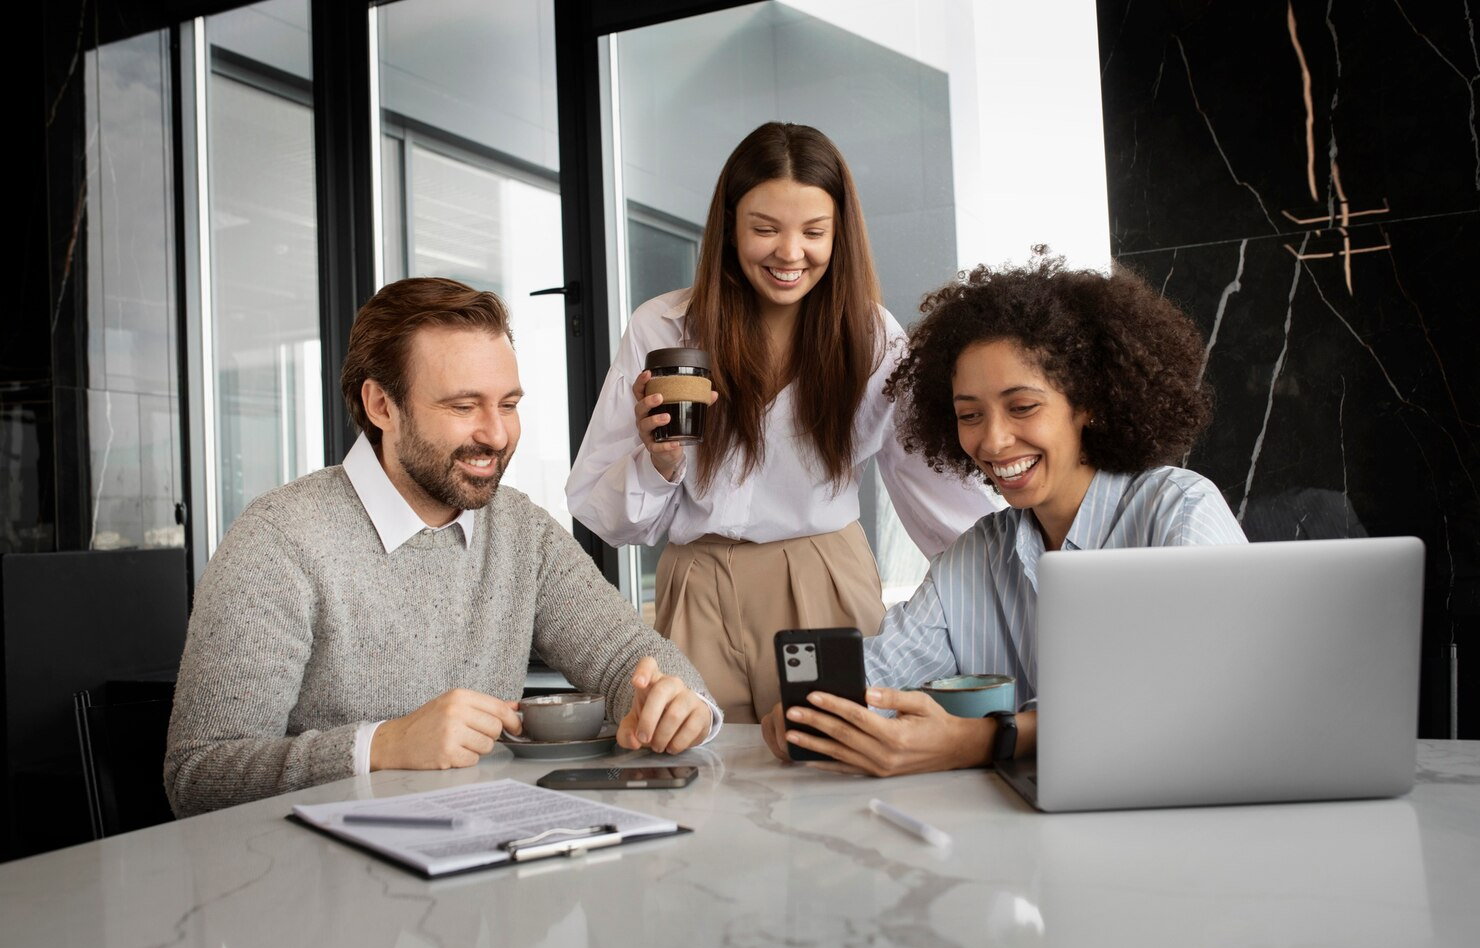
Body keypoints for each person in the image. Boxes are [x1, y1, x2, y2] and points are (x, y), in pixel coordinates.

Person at [165, 277, 720, 817]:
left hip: (476, 871)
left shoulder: (520, 530)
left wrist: (678, 703)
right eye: (463, 407)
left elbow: (629, 657)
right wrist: (381, 747)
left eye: (508, 404)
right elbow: (197, 775)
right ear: (382, 405)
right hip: (317, 888)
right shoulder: (279, 540)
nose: (497, 435)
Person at [565, 122, 995, 724]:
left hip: (823, 579)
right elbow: (601, 512)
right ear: (729, 227)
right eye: (765, 229)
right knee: (699, 775)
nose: (790, 254)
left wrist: (1023, 567)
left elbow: (935, 489)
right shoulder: (662, 328)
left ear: (839, 234)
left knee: (835, 768)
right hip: (696, 587)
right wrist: (659, 460)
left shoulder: (871, 337)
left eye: (814, 232)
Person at [761, 252, 1248, 775]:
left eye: (1022, 407)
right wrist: (820, 714)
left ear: (1090, 403)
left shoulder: (1180, 511)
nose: (992, 440)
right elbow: (881, 674)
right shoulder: (979, 552)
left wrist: (982, 739)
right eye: (969, 415)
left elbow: (1203, 697)